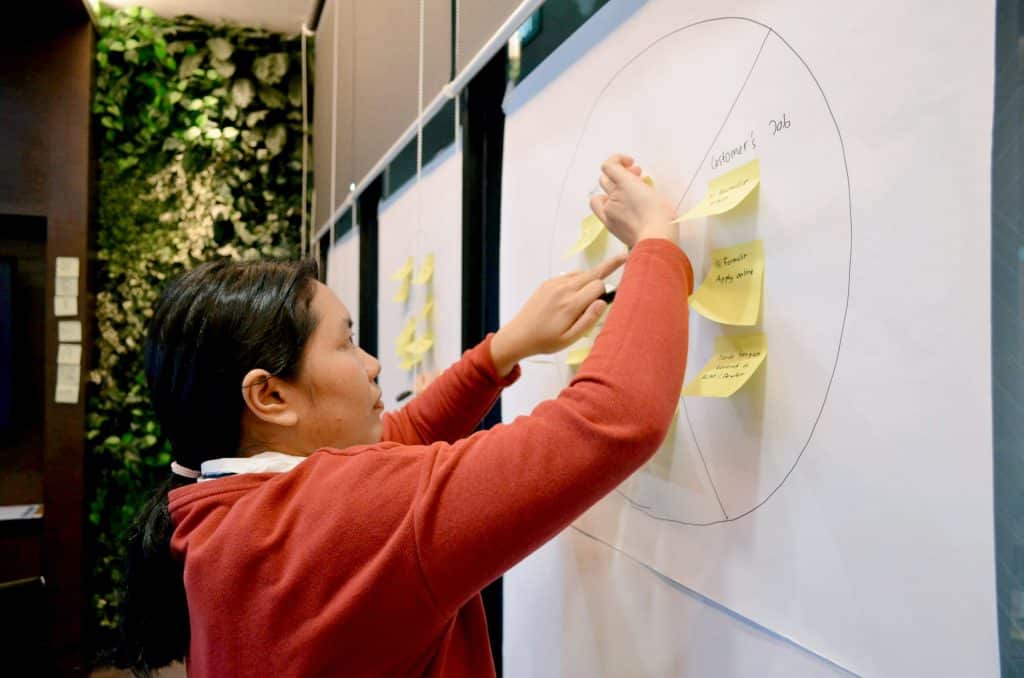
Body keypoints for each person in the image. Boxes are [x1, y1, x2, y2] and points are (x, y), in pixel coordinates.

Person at [118, 154, 693, 677]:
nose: (372, 364)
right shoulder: (340, 519)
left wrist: (501, 353)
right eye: (345, 345)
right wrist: (657, 243)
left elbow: (403, 433)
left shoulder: (229, 504)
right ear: (269, 397)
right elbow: (615, 419)